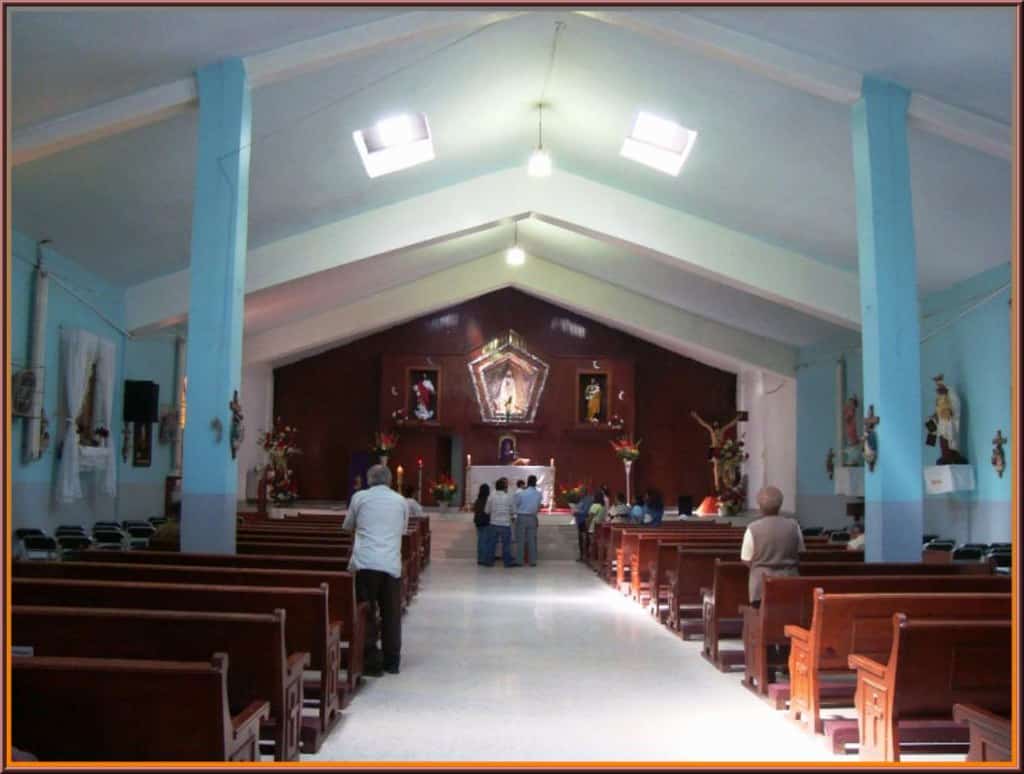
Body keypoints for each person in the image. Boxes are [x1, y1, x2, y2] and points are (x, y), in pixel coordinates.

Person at [343, 464, 408, 675]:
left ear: (369, 479)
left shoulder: (359, 497)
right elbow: (403, 529)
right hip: (390, 563)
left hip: (366, 562)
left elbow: (348, 525)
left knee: (367, 611)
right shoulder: (400, 501)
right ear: (389, 480)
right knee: (391, 613)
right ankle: (392, 661)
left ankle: (371, 661)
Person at [740, 486, 804, 607]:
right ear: (780, 505)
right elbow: (800, 552)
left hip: (760, 589)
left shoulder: (752, 528)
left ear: (759, 506)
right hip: (790, 584)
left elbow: (746, 560)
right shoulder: (794, 526)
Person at [484, 478, 516, 567]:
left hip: (493, 523)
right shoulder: (508, 497)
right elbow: (513, 510)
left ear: (496, 487)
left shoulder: (491, 497)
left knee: (491, 544)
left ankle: (489, 562)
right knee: (506, 545)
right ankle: (507, 562)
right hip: (505, 524)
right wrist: (512, 516)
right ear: (505, 487)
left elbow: (486, 511)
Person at [514, 475, 542, 566]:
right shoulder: (538, 494)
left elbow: (516, 504)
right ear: (535, 482)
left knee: (520, 540)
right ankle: (533, 561)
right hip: (532, 517)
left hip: (521, 517)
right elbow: (538, 506)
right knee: (532, 540)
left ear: (527, 482)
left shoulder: (521, 493)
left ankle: (519, 561)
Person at [574, 487, 594, 561]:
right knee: (584, 538)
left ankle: (583, 556)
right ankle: (584, 555)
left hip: (583, 520)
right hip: (581, 520)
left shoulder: (587, 500)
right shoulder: (583, 499)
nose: (579, 493)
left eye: (580, 492)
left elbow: (585, 511)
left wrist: (577, 512)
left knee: (583, 538)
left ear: (583, 492)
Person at [473, 483, 491, 566]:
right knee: (484, 541)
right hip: (486, 522)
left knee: (480, 541)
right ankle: (484, 559)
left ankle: (480, 558)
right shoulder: (488, 500)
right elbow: (489, 512)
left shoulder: (477, 500)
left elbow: (475, 510)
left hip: (478, 522)